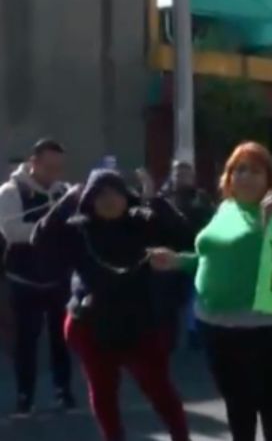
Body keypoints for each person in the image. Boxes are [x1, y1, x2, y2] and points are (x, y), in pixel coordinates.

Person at [32, 169, 191, 441]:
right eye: (100, 194)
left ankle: (181, 436)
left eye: (114, 192)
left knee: (160, 389)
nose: (108, 199)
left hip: (140, 324)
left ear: (125, 196)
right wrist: (65, 203)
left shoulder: (141, 221)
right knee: (103, 393)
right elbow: (40, 241)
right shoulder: (77, 226)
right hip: (92, 324)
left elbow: (183, 234)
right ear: (90, 199)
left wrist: (155, 200)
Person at [149, 142, 272, 441]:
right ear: (229, 177)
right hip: (213, 323)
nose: (247, 177)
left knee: (268, 399)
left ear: (270, 178)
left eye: (256, 170)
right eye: (240, 170)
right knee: (236, 401)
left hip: (261, 325)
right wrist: (178, 261)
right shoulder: (226, 208)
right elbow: (210, 257)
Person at [0, 139, 76, 415]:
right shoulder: (11, 191)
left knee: (63, 338)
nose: (54, 173)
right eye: (49, 167)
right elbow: (13, 232)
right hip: (24, 279)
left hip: (57, 279)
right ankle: (25, 394)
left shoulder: (64, 192)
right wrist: (49, 229)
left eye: (59, 167)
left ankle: (63, 390)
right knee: (26, 341)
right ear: (33, 163)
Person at [157, 160, 215, 349]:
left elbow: (211, 221)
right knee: (168, 298)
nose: (181, 177)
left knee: (194, 295)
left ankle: (194, 333)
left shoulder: (201, 198)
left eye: (185, 174)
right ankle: (168, 333)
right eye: (178, 173)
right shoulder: (164, 198)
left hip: (194, 253)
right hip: (170, 253)